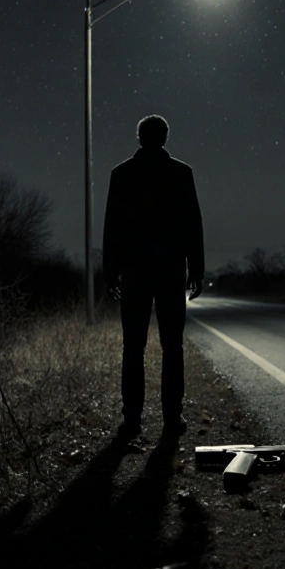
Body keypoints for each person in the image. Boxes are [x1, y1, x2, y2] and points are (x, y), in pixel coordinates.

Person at [102, 114, 205, 440]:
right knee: (172, 346)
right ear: (165, 137)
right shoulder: (181, 172)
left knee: (133, 347)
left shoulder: (122, 174)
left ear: (139, 137)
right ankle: (172, 420)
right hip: (171, 269)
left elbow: (112, 227)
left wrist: (110, 270)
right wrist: (196, 268)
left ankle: (132, 420)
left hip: (134, 270)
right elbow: (193, 223)